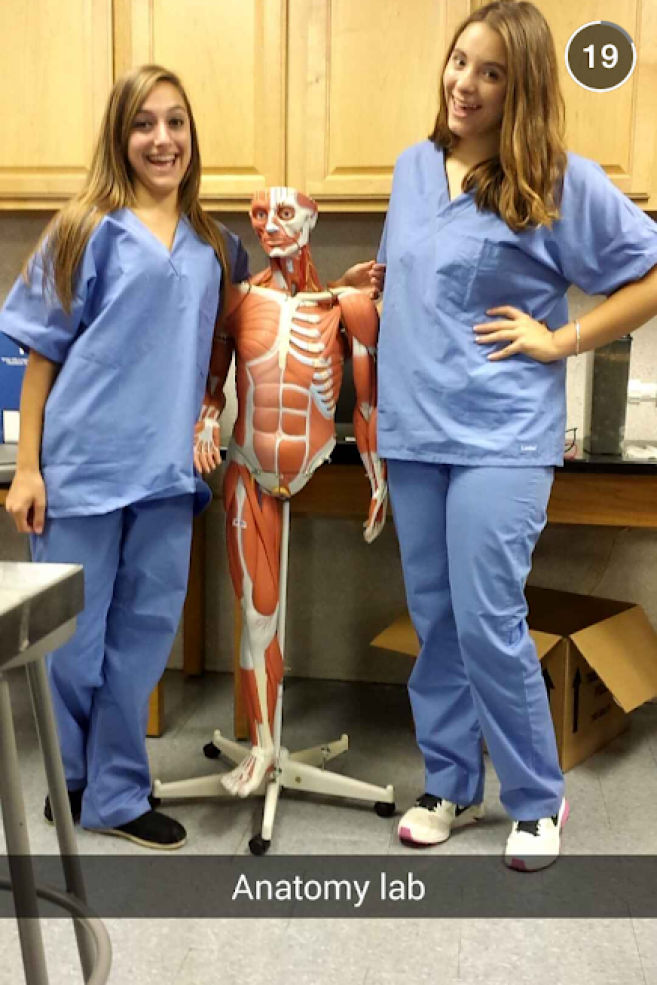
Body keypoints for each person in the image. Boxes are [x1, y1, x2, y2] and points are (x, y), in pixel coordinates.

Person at [375, 0, 657, 870]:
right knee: (436, 616)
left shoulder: (558, 181)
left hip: (501, 434)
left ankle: (536, 797)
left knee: (490, 615)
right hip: (413, 432)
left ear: (522, 85)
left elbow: (648, 274)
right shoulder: (412, 168)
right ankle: (451, 783)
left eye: (491, 71)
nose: (465, 83)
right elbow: (416, 283)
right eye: (460, 61)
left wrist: (560, 337)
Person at [0, 64, 250, 849]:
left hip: (167, 476)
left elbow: (267, 299)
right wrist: (29, 468)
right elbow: (41, 358)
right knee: (73, 643)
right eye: (144, 123)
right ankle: (75, 779)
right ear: (121, 135)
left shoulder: (215, 243)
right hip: (81, 466)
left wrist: (348, 285)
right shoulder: (82, 228)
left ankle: (112, 789)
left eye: (176, 122)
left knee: (142, 639)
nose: (162, 138)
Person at [193, 186, 387, 797]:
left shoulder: (345, 305)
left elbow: (370, 402)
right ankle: (264, 746)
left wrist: (377, 477)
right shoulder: (237, 301)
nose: (268, 225)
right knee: (257, 611)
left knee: (269, 612)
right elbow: (212, 387)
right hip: (249, 462)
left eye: (282, 213)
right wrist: (203, 424)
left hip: (315, 463)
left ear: (310, 219)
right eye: (257, 214)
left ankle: (270, 743)